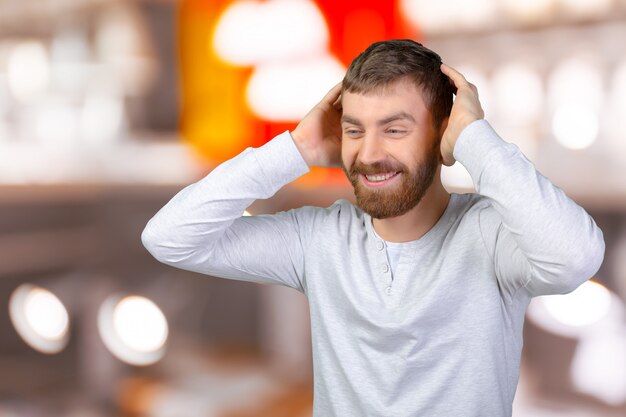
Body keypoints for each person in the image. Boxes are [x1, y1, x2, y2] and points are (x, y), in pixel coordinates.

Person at [142, 39, 605, 416]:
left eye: (395, 129)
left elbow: (574, 258)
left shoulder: (492, 236)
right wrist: (294, 150)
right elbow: (169, 238)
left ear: (443, 134)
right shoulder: (318, 240)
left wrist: (475, 140)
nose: (368, 153)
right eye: (354, 129)